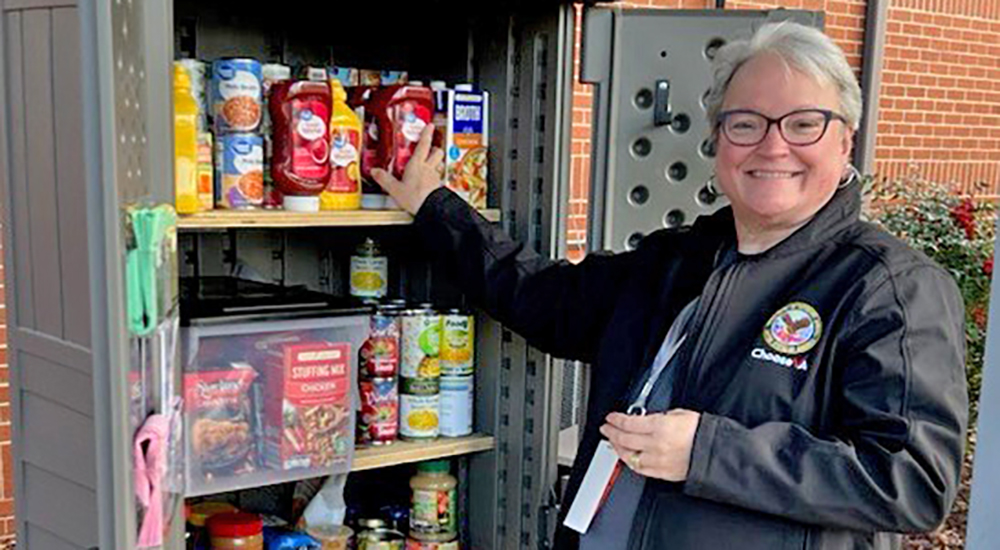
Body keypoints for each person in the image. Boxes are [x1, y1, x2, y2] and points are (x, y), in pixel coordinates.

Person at [372, 21, 968, 550]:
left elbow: (910, 479)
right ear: (717, 141)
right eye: (746, 123)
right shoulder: (675, 261)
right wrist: (436, 208)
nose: (773, 144)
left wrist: (707, 453)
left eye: (804, 123)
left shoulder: (889, 287)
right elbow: (542, 299)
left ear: (845, 140)